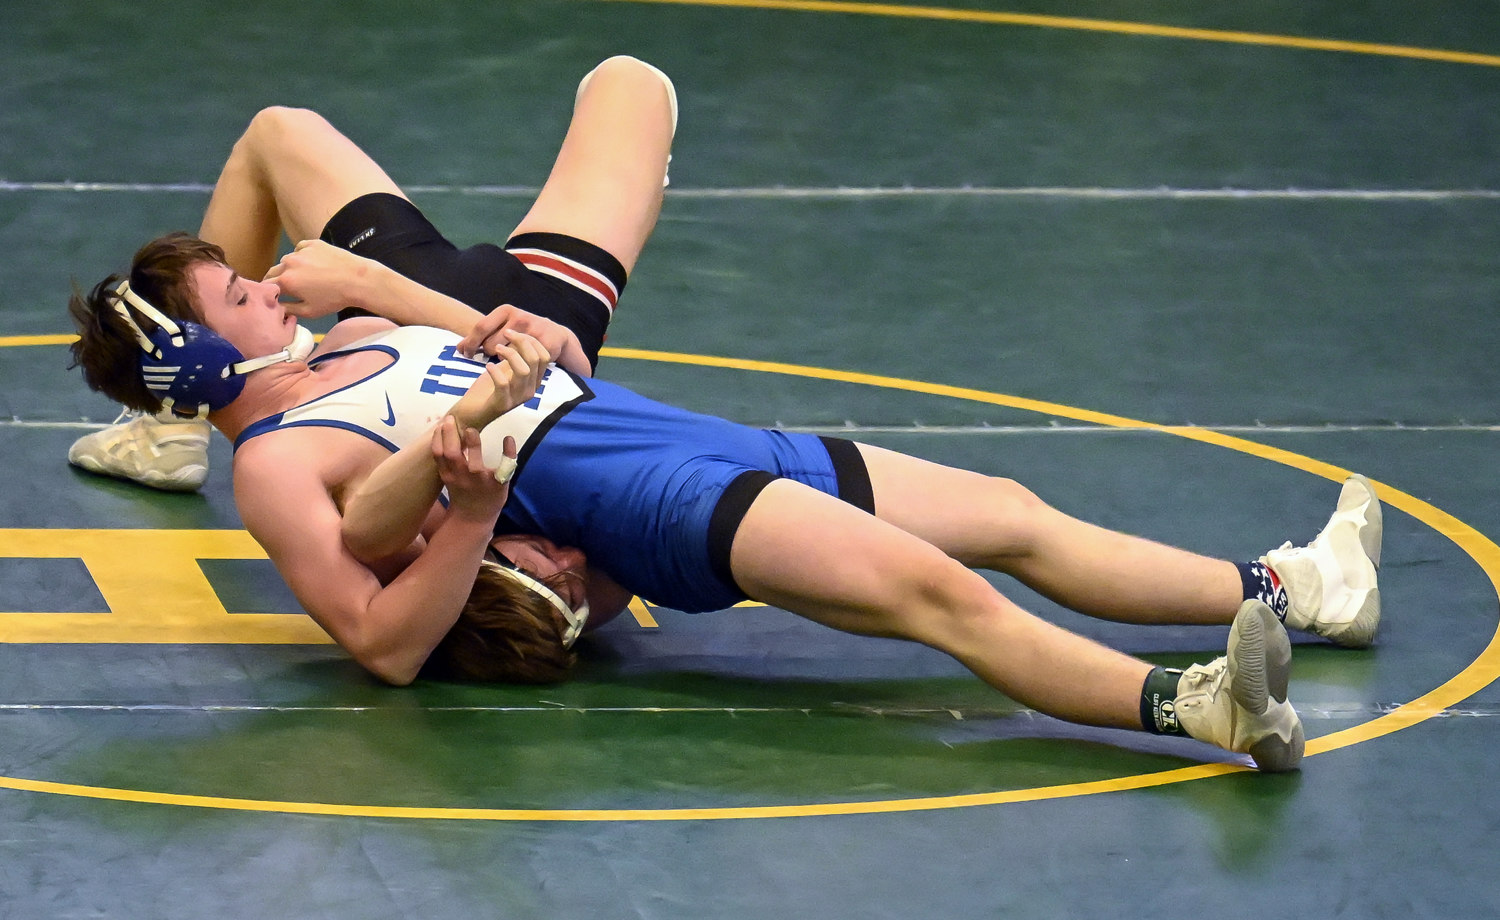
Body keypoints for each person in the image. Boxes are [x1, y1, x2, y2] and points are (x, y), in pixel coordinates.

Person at [66, 60, 1379, 774]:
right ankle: (1193, 704)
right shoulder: (287, 468)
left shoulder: (342, 329)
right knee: (939, 595)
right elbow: (379, 628)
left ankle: (1287, 584)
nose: (266, 278)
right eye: (241, 288)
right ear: (194, 351)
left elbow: (488, 328)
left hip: (667, 431)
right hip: (638, 497)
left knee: (1010, 517)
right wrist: (465, 494)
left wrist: (385, 302)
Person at [66, 54, 674, 490]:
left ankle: (171, 426)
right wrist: (363, 283)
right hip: (530, 305)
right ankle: (179, 413)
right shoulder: (301, 458)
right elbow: (553, 364)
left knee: (278, 131)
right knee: (635, 87)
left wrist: (367, 284)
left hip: (405, 284)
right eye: (241, 293)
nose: (266, 285)